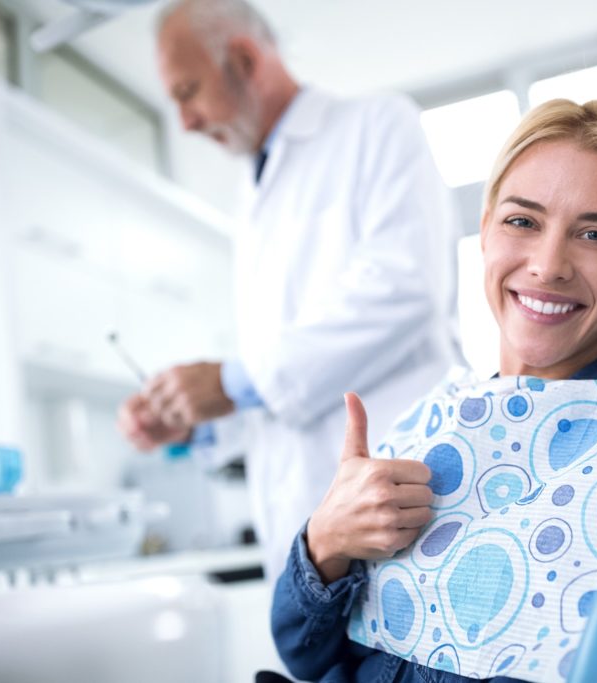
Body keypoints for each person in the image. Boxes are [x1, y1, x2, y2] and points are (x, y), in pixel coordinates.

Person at [268, 98, 597, 682]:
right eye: (522, 221)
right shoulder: (430, 424)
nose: (548, 265)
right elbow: (305, 656)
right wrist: (325, 542)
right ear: (484, 233)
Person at [116, 0, 462, 580]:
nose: (186, 122)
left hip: (397, 511)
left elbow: (405, 288)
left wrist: (228, 382)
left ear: (245, 60)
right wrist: (197, 416)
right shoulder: (252, 197)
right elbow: (283, 381)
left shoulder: (376, 126)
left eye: (187, 91)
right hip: (307, 535)